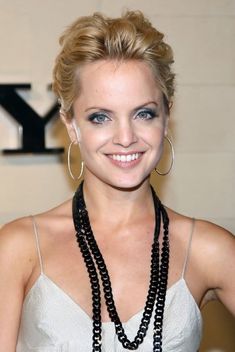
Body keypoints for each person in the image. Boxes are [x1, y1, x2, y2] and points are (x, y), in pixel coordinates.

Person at [0, 10, 234, 352]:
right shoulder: (18, 247)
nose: (125, 137)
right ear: (71, 125)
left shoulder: (208, 249)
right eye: (100, 117)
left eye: (144, 113)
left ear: (166, 117)